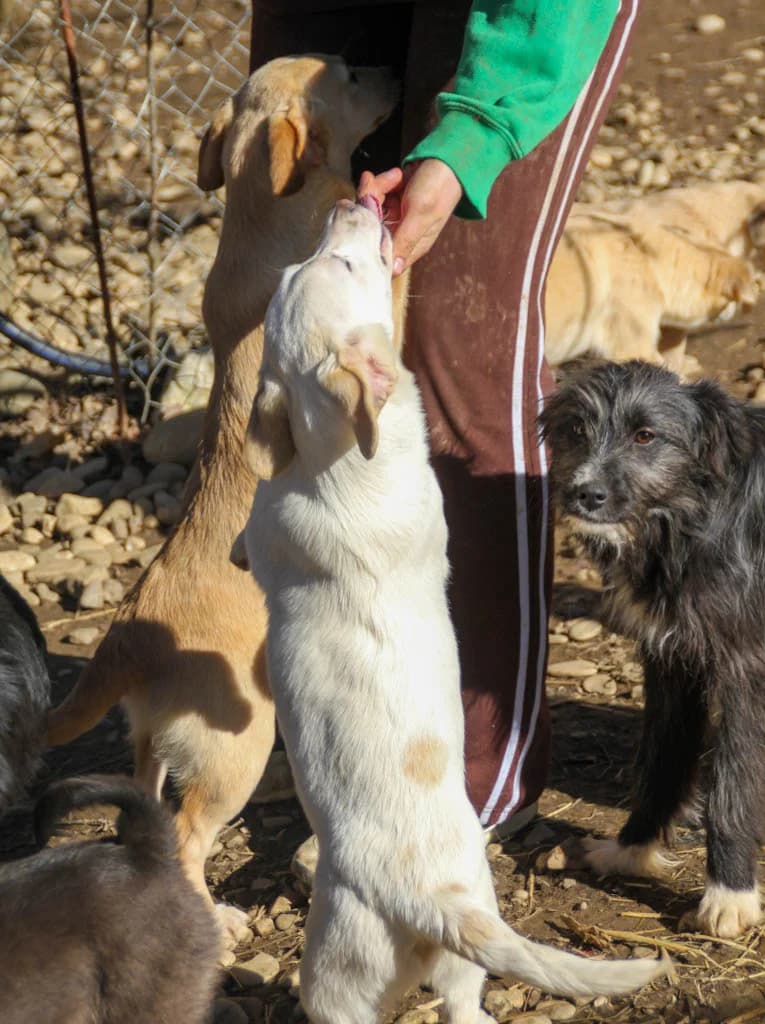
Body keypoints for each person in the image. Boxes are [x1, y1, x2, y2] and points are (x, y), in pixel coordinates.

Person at [250, 0, 641, 836]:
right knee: (304, 308)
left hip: (529, 16)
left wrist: (471, 140)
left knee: (458, 339)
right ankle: (338, 730)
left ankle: (470, 778)